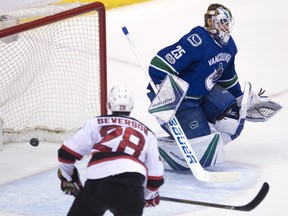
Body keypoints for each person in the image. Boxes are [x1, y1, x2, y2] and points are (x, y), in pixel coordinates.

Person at [146, 3, 281, 146]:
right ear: (211, 22)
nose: (226, 27)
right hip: (181, 100)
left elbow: (228, 77)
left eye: (227, 23)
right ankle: (188, 139)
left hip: (204, 94)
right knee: (199, 140)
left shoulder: (229, 46)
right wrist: (164, 98)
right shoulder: (197, 41)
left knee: (234, 119)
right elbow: (158, 65)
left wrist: (240, 99)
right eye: (223, 23)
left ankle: (209, 142)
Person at [57, 85, 164, 216]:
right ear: (132, 106)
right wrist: (147, 196)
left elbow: (65, 154)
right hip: (132, 186)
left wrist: (69, 178)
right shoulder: (148, 134)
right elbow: (155, 178)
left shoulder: (95, 123)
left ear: (109, 104)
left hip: (98, 183)